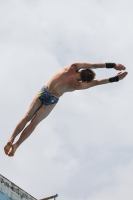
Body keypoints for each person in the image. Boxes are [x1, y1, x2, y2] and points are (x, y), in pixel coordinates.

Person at [4, 62, 128, 156]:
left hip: (44, 91)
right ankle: (16, 145)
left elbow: (94, 65)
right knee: (34, 123)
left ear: (82, 69)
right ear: (85, 80)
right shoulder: (79, 85)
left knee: (27, 116)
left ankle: (11, 139)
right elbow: (97, 82)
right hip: (52, 100)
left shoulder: (72, 67)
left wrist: (114, 65)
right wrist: (116, 79)